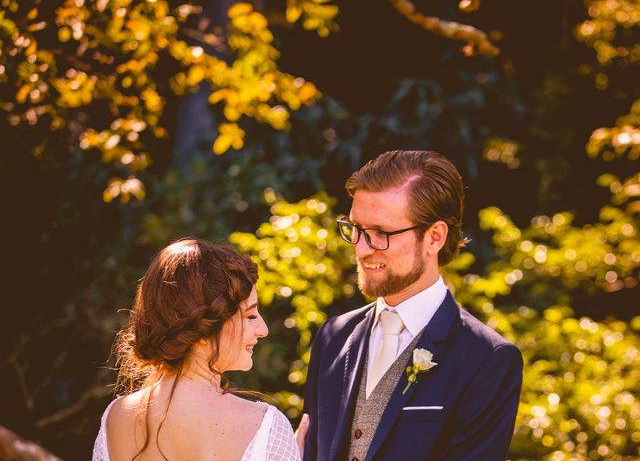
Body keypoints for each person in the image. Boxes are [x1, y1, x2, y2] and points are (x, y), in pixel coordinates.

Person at [302, 150, 523, 460]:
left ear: (434, 238)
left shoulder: (488, 361)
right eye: (356, 229)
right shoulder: (334, 337)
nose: (362, 249)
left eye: (381, 233)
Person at [92, 238, 307, 461]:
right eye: (250, 316)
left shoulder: (115, 419)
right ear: (205, 328)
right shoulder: (265, 427)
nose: (262, 329)